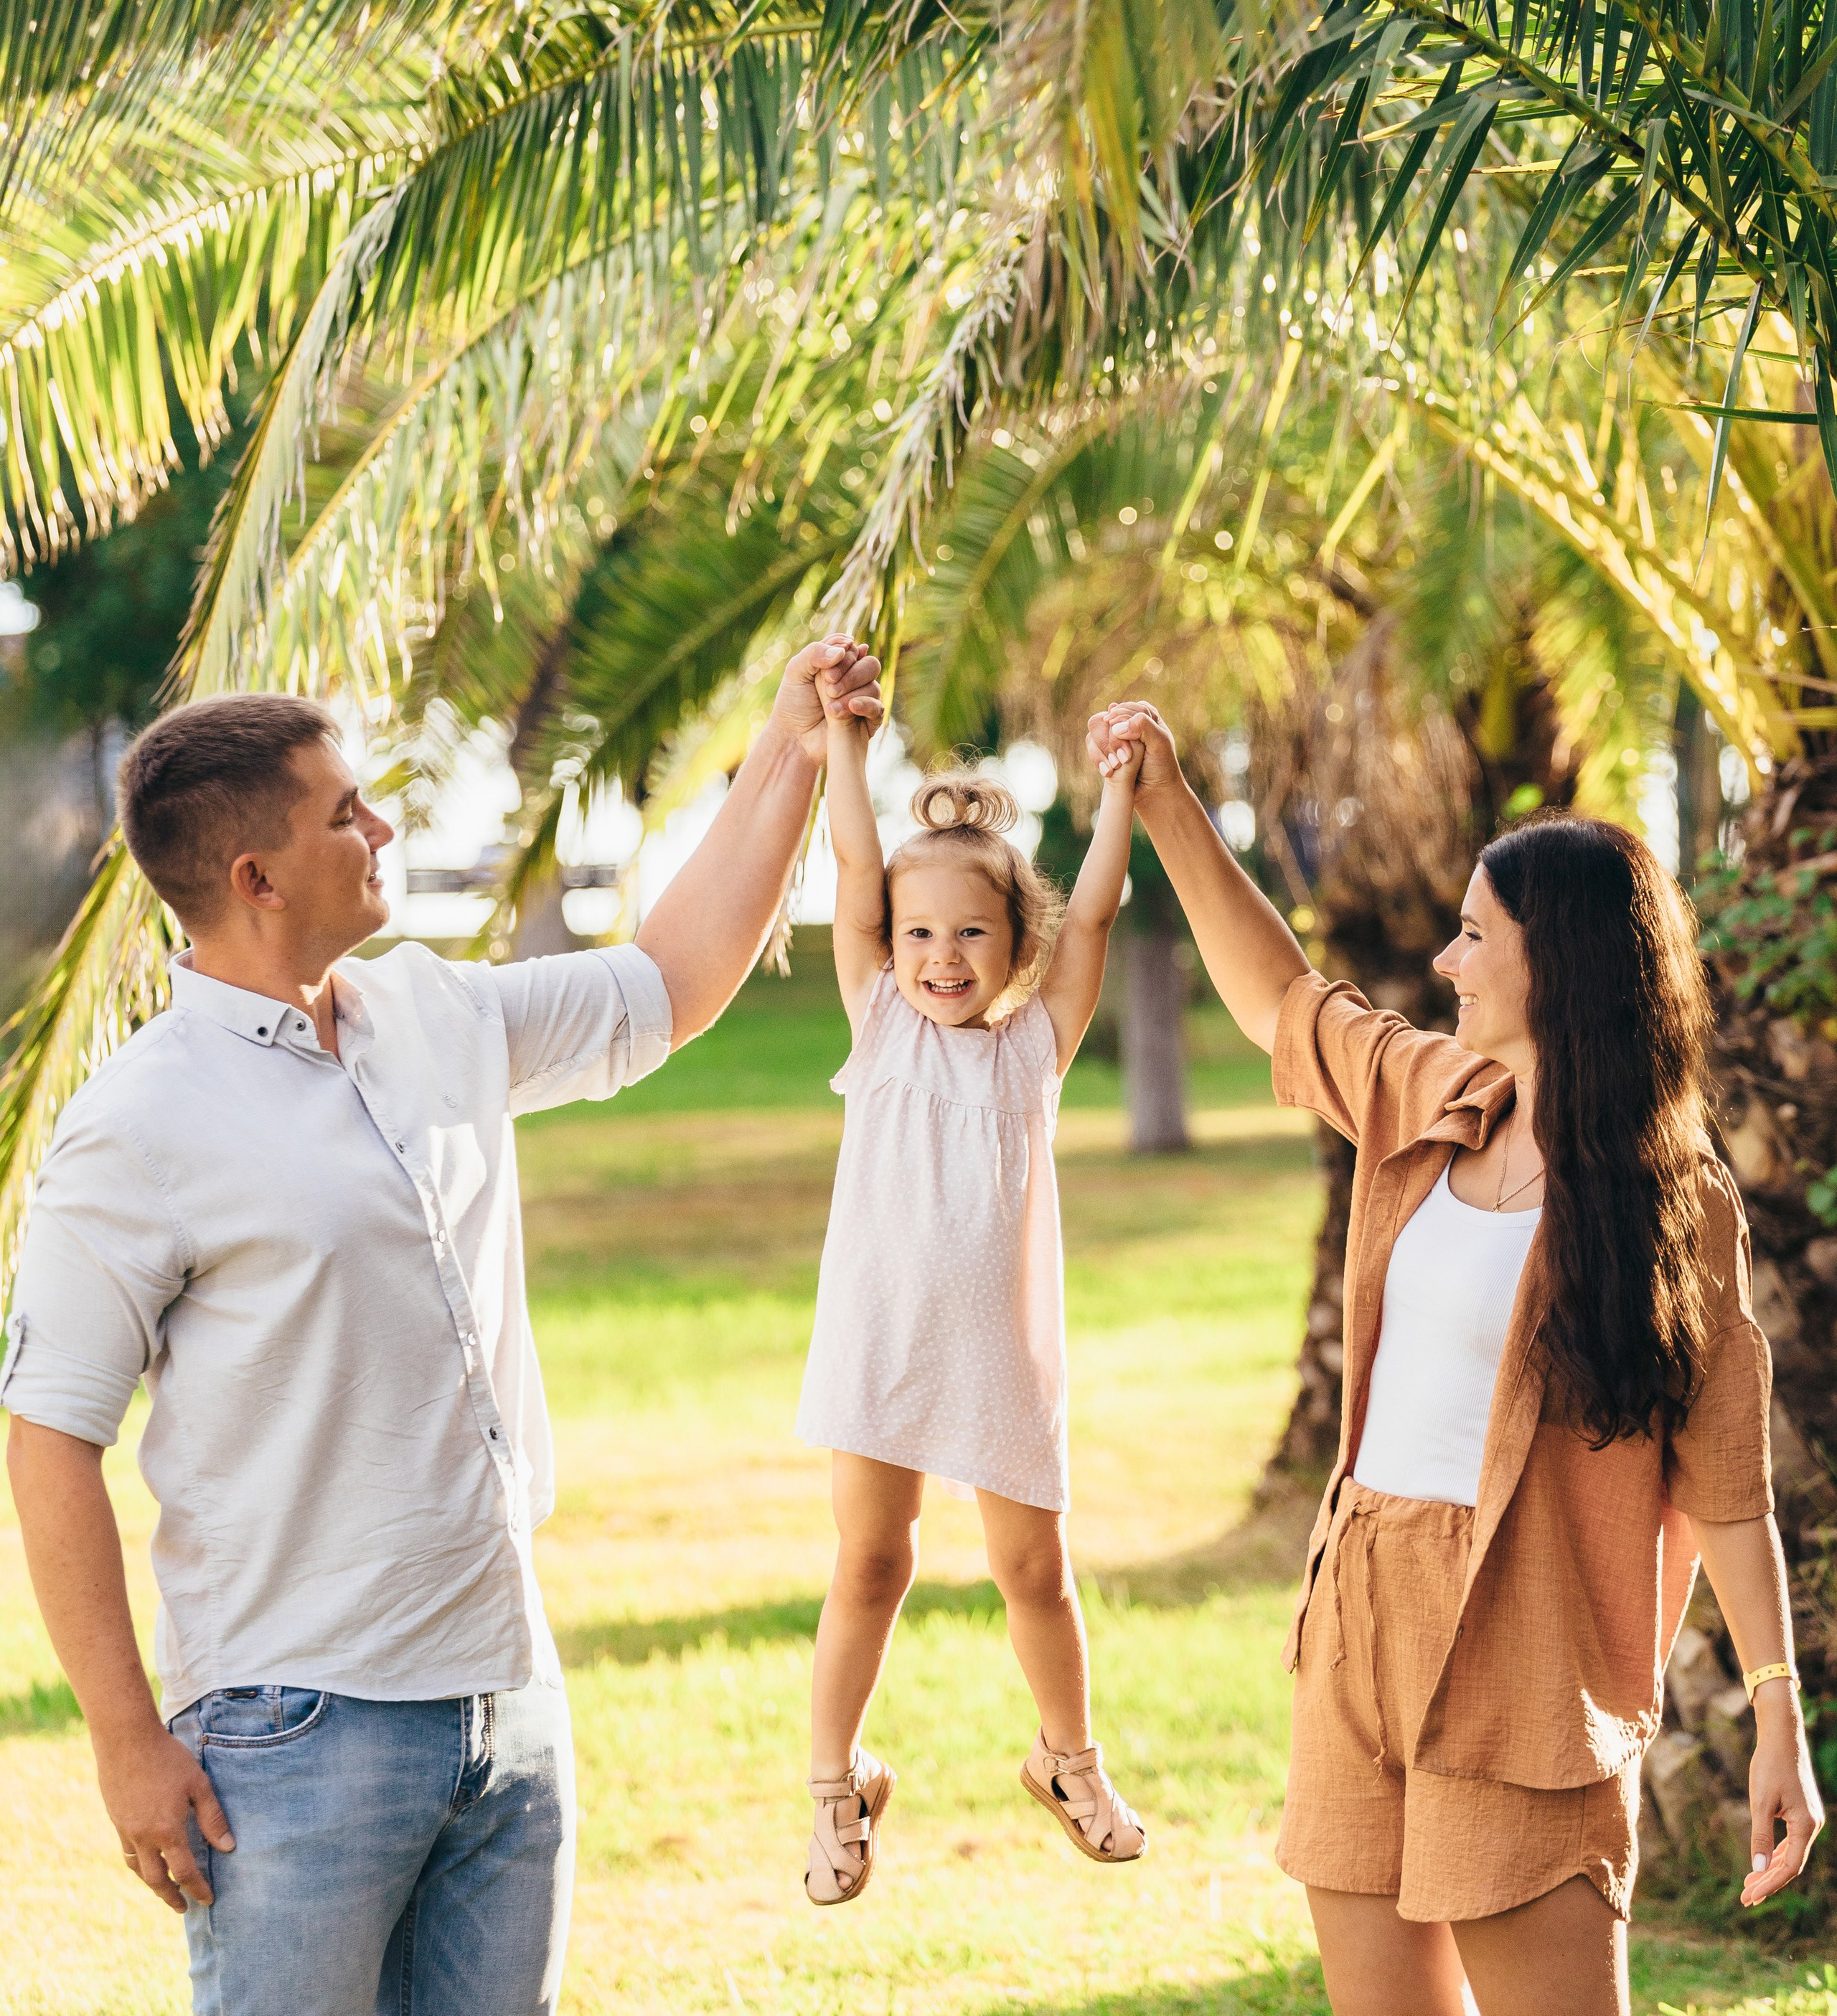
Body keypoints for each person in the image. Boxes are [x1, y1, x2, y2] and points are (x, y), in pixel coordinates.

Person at [1, 636, 883, 2016]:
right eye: (345, 812)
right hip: (292, 1732)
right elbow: (50, 1436)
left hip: (508, 1697)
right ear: (257, 878)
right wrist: (123, 1740)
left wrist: (791, 747)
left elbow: (671, 982)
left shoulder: (432, 1012)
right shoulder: (139, 1125)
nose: (384, 828)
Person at [1088, 699, 1823, 2016]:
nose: (1447, 958)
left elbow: (1726, 1485)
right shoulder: (1434, 1097)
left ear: (1566, 965)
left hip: (1528, 1641)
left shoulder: (1674, 1203)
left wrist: (1779, 1714)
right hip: (1361, 1603)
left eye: (1479, 935)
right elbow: (1282, 1001)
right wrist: (1167, 802)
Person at [791, 705, 1148, 1908]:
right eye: (919, 933)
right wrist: (845, 747)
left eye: (972, 933)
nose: (942, 956)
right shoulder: (881, 1024)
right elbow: (854, 869)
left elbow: (1092, 916)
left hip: (1000, 1358)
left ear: (1016, 943)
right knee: (871, 1562)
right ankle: (836, 1786)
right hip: (881, 1346)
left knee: (1035, 1570)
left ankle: (1068, 1762)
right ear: (888, 943)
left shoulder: (1034, 1051)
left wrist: (1120, 790)